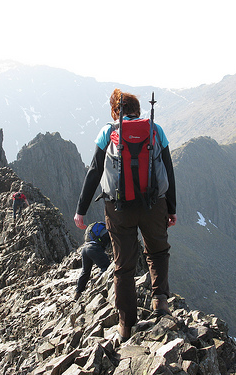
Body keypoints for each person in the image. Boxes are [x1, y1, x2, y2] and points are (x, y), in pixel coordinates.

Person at [74, 88, 177, 341]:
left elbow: (95, 171)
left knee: (123, 265)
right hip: (154, 204)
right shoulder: (156, 129)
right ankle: (160, 300)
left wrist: (81, 210)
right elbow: (168, 171)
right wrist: (172, 209)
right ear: (137, 110)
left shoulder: (108, 132)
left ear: (115, 111)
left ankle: (126, 325)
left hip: (118, 208)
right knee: (157, 250)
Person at [74, 222, 112, 300]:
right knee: (106, 267)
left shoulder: (100, 229)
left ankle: (77, 293)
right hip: (94, 248)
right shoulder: (109, 230)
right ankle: (96, 279)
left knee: (85, 271)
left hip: (85, 248)